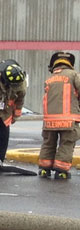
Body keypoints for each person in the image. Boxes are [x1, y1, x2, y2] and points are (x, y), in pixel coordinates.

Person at [38, 51, 79, 180]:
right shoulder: (74, 75)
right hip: (68, 119)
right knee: (66, 143)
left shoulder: (49, 80)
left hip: (49, 120)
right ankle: (61, 171)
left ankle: (44, 169)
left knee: (48, 143)